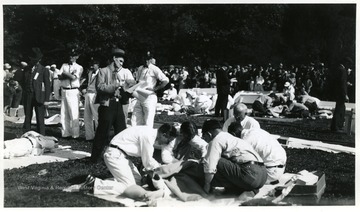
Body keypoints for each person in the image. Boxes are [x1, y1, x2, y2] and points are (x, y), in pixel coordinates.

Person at [78, 124, 177, 201]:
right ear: (164, 135)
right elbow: (148, 162)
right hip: (114, 156)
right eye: (168, 140)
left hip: (120, 156)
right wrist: (164, 170)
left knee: (138, 181)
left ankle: (109, 182)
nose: (167, 143)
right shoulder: (148, 136)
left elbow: (148, 162)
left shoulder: (149, 132)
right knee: (130, 187)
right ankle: (95, 184)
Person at [201, 119, 267, 195]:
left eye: (204, 136)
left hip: (250, 174)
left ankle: (242, 188)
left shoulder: (216, 140)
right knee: (226, 162)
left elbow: (210, 167)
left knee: (215, 160)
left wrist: (206, 185)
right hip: (263, 175)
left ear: (209, 134)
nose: (205, 140)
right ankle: (247, 190)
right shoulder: (233, 139)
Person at [90, 48, 128, 162]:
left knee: (121, 131)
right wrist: (115, 86)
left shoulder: (120, 73)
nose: (121, 64)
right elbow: (100, 87)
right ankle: (95, 158)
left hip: (118, 104)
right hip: (107, 105)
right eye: (120, 61)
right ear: (114, 59)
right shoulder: (103, 71)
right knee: (102, 132)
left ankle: (120, 158)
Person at [131, 52, 169, 127]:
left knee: (148, 121)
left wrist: (155, 89)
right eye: (144, 59)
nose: (146, 61)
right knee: (134, 120)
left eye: (148, 59)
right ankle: (136, 137)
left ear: (151, 59)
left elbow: (165, 80)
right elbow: (138, 81)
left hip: (149, 97)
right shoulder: (140, 68)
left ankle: (147, 137)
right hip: (139, 96)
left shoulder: (154, 68)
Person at [22, 48, 51, 135]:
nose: (33, 61)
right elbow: (24, 82)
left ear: (39, 60)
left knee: (40, 117)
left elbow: (47, 85)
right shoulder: (27, 69)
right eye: (31, 59)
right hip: (28, 95)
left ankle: (41, 135)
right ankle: (26, 134)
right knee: (27, 116)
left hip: (39, 96)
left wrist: (46, 100)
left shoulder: (44, 70)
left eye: (35, 59)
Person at [59, 48, 83, 138]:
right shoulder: (64, 65)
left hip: (73, 90)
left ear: (77, 57)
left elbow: (73, 78)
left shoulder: (79, 67)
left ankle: (75, 134)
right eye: (70, 55)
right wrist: (67, 75)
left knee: (73, 112)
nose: (71, 57)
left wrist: (65, 74)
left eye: (73, 56)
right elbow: (59, 77)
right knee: (64, 112)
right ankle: (66, 133)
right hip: (64, 89)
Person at [331, 57, 351, 132]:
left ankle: (336, 126)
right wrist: (345, 94)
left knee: (340, 108)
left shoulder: (339, 69)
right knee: (340, 109)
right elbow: (342, 83)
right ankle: (336, 126)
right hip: (341, 93)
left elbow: (340, 82)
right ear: (346, 63)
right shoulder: (343, 70)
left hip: (338, 92)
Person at [82, 60, 100, 142]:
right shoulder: (90, 73)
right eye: (91, 65)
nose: (92, 66)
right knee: (87, 116)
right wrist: (84, 88)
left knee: (96, 116)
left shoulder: (101, 73)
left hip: (95, 95)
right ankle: (89, 136)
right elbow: (86, 83)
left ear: (98, 65)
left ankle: (99, 136)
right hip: (88, 94)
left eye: (94, 64)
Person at [115, 55, 136, 121]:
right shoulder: (110, 71)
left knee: (123, 114)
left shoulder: (126, 71)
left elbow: (132, 83)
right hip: (113, 94)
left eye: (122, 62)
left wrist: (124, 83)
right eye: (119, 61)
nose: (120, 63)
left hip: (123, 95)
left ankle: (123, 127)